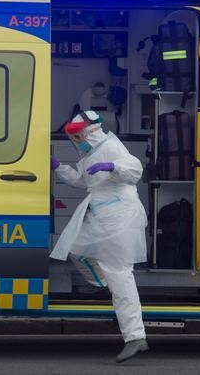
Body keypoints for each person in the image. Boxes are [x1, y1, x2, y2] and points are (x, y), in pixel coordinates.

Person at [50, 110, 149, 363]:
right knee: (76, 249)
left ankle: (135, 337)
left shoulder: (111, 147)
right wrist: (59, 167)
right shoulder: (90, 154)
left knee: (120, 276)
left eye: (78, 135)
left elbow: (135, 169)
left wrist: (112, 166)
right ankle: (103, 282)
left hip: (119, 217)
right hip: (105, 216)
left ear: (89, 131)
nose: (76, 140)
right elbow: (83, 181)